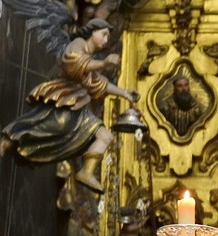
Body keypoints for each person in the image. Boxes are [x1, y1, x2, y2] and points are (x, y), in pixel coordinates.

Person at [1, 21, 139, 190]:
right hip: (64, 98)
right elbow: (74, 64)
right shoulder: (78, 44)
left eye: (108, 37)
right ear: (92, 32)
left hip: (77, 104)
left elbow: (99, 84)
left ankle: (86, 172)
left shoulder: (92, 57)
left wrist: (124, 93)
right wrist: (104, 63)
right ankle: (8, 139)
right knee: (44, 124)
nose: (106, 40)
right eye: (103, 34)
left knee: (105, 136)